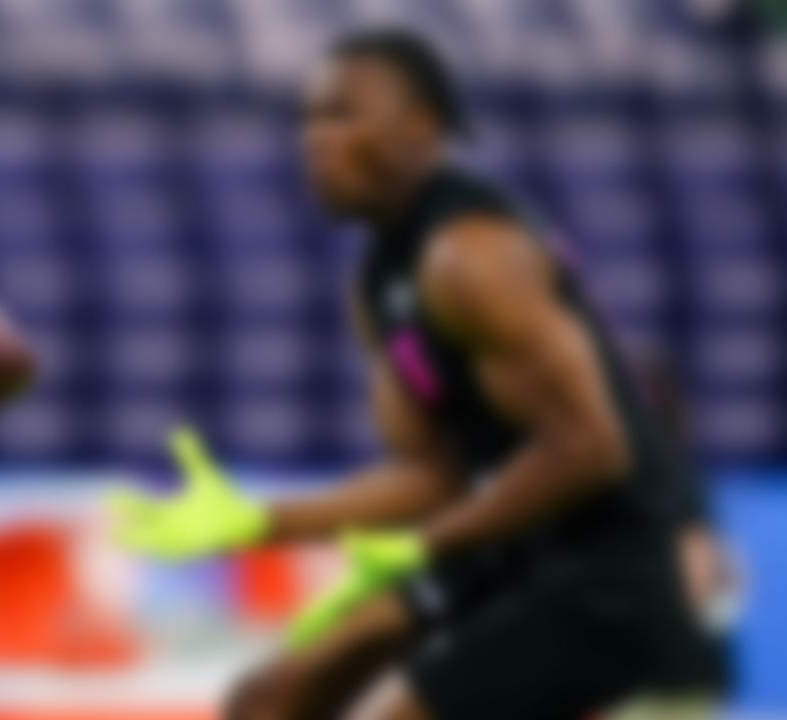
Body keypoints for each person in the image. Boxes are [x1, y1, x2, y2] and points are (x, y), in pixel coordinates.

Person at [109, 29, 723, 720]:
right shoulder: (377, 282)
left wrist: (423, 543)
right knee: (270, 699)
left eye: (342, 114)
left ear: (420, 129)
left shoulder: (474, 256)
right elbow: (434, 474)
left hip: (606, 578)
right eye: (308, 118)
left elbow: (592, 449)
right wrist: (260, 520)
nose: (315, 138)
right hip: (505, 550)